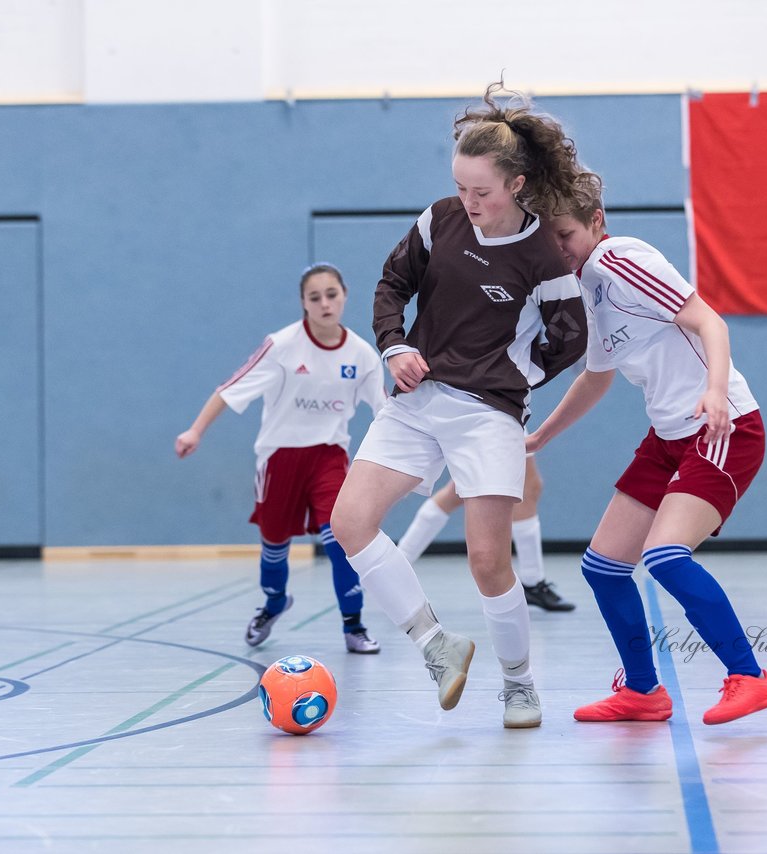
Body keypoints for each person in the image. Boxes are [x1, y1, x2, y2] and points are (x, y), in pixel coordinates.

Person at [329, 82, 589, 728]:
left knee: (486, 559)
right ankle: (434, 643)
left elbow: (571, 336)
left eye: (483, 192)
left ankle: (521, 685)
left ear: (518, 184)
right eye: (462, 187)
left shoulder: (540, 257)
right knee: (350, 523)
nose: (469, 203)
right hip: (417, 400)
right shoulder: (439, 219)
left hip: (489, 414)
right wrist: (393, 347)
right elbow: (393, 284)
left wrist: (514, 375)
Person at [526, 170, 767, 725]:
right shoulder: (585, 287)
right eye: (549, 241)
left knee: (665, 556)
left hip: (721, 427)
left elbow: (708, 320)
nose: (559, 250)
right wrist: (542, 435)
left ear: (596, 222)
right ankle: (643, 691)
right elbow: (597, 377)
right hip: (667, 437)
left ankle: (750, 676)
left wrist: (715, 392)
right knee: (603, 566)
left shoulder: (622, 260)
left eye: (566, 235)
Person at [175, 263, 386, 655]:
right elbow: (230, 389)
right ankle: (273, 602)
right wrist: (195, 430)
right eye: (315, 297)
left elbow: (384, 412)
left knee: (341, 537)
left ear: (345, 296)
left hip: (329, 457)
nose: (325, 303)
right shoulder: (282, 345)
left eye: (331, 294)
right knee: (274, 543)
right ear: (303, 303)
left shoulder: (362, 355)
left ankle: (353, 624)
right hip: (279, 459)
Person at [396, 457, 577, 612]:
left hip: (492, 417)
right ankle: (533, 581)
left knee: (462, 488)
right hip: (496, 417)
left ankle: (397, 569)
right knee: (524, 485)